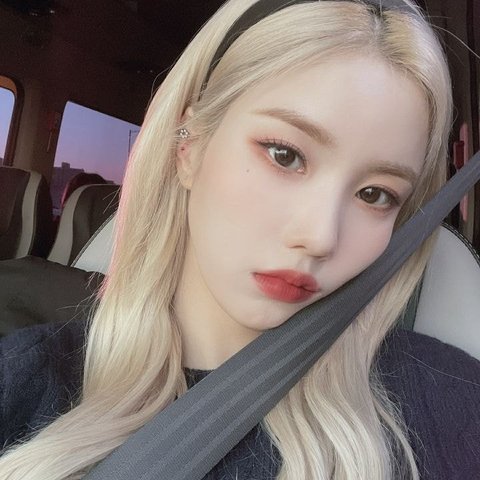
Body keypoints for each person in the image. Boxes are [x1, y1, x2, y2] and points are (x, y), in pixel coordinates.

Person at [0, 0, 479, 479]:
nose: (319, 237)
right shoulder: (22, 379)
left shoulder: (450, 408)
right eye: (285, 155)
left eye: (375, 194)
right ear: (188, 146)